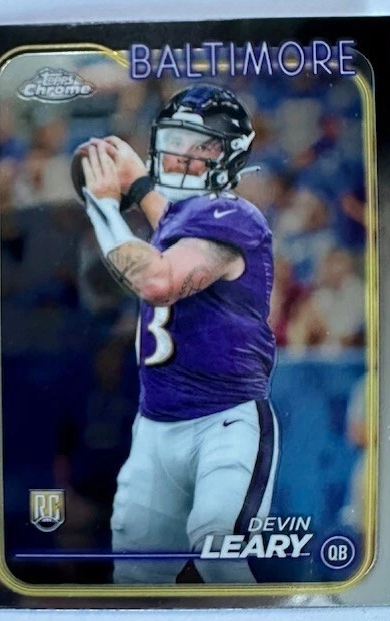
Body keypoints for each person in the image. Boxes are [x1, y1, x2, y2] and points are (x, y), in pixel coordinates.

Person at [76, 84, 279, 584]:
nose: (180, 156)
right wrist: (139, 185)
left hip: (223, 421)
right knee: (135, 580)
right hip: (155, 427)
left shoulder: (236, 216)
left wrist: (104, 207)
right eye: (174, 140)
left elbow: (158, 282)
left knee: (219, 556)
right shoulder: (182, 218)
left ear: (229, 155)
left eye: (199, 146)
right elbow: (171, 221)